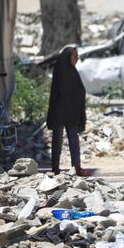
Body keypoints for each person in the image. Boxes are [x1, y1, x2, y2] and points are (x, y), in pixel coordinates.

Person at [47, 46, 90, 176]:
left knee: (73, 139)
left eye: (77, 56)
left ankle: (76, 167)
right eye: (74, 56)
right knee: (57, 141)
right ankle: (55, 168)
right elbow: (58, 94)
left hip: (70, 112)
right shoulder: (61, 71)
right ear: (67, 57)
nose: (77, 58)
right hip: (59, 112)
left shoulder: (72, 72)